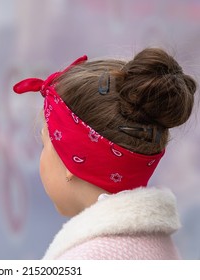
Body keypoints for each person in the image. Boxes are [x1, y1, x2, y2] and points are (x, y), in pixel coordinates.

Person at [13, 48, 197, 259]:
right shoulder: (161, 248)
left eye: (45, 143)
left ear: (72, 160)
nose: (42, 156)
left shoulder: (85, 260)